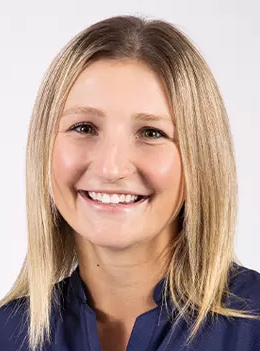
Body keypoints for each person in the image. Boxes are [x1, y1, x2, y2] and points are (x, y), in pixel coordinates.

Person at [0, 15, 259, 351]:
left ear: (201, 158)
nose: (111, 168)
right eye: (84, 127)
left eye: (151, 133)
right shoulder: (8, 334)